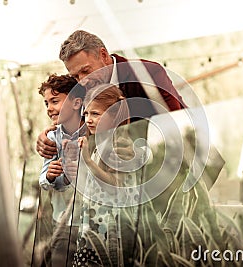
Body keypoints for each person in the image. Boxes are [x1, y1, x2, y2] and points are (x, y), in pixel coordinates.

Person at [36, 29, 187, 159]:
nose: (82, 81)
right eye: (76, 76)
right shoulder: (81, 88)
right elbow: (75, 124)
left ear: (103, 55)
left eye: (86, 71)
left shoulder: (146, 73)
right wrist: (48, 135)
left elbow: (177, 120)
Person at [68, 84, 140, 266]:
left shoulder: (120, 143)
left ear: (115, 115)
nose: (89, 120)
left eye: (95, 114)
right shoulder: (101, 143)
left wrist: (88, 162)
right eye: (86, 114)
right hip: (93, 225)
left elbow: (116, 186)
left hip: (109, 229)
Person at [37, 73, 86, 266]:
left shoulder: (93, 132)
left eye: (54, 101)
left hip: (92, 223)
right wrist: (50, 176)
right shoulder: (52, 138)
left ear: (76, 103)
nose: (49, 109)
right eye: (46, 103)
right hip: (63, 223)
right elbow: (43, 181)